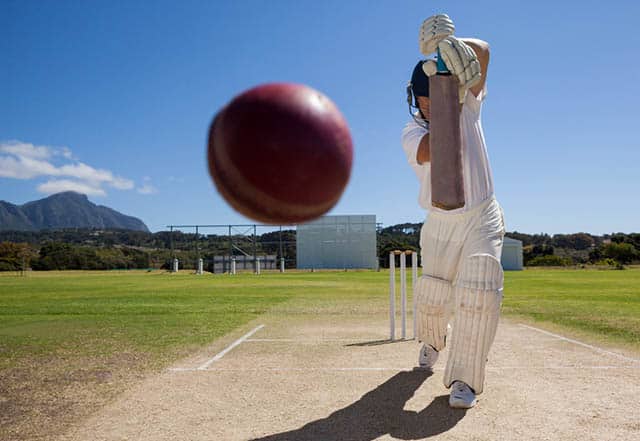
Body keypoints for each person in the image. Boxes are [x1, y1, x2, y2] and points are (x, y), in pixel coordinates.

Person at [401, 14, 506, 409]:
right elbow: (434, 149)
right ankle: (432, 339)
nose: (427, 104)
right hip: (440, 224)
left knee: (480, 288)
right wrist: (448, 98)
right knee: (433, 295)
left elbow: (486, 53)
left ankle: (465, 379)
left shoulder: (469, 106)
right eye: (423, 98)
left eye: (432, 95)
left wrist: (451, 43)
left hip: (482, 213)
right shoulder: (412, 132)